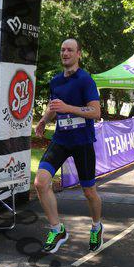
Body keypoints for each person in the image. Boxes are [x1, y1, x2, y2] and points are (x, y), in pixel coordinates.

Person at [34, 38, 103, 253]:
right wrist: (44, 120)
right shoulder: (56, 81)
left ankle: (96, 226)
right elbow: (54, 106)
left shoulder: (85, 80)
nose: (65, 53)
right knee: (40, 183)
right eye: (63, 50)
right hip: (61, 140)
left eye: (70, 50)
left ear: (78, 54)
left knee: (89, 192)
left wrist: (69, 108)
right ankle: (57, 229)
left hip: (82, 142)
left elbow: (95, 112)